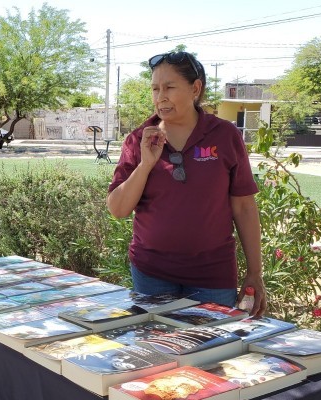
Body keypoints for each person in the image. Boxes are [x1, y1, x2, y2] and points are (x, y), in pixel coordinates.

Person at [106, 51, 266, 318]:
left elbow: (244, 208)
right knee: (157, 350)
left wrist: (255, 273)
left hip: (212, 276)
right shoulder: (138, 140)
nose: (160, 97)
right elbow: (117, 209)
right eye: (155, 89)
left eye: (169, 87)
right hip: (151, 274)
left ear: (195, 88)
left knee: (210, 351)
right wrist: (146, 164)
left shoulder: (224, 135)